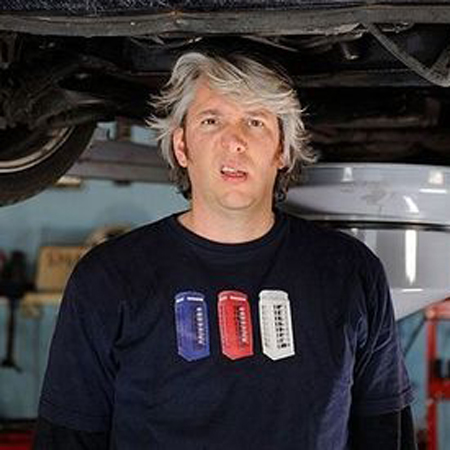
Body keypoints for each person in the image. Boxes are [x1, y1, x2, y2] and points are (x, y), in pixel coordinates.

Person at [33, 51, 416, 450]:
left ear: (283, 150)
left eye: (255, 121)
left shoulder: (350, 272)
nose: (234, 141)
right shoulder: (109, 278)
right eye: (211, 121)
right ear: (182, 146)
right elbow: (67, 439)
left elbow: (386, 433)